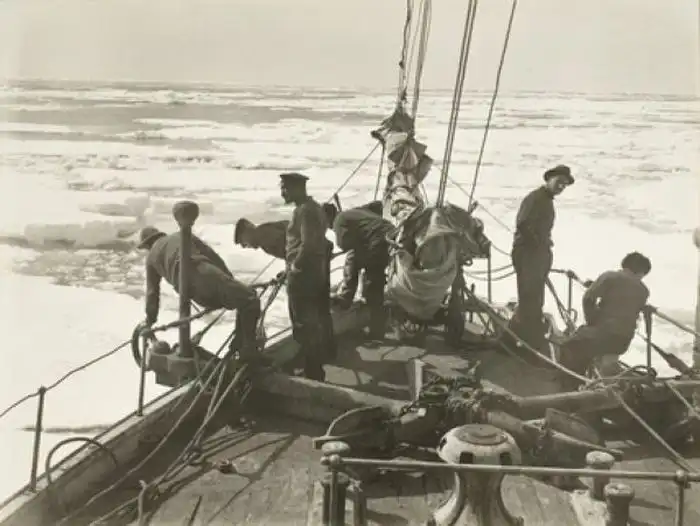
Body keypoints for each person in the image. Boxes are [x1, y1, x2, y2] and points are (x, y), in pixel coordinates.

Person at [137, 226, 263, 362]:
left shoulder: (151, 259)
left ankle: (239, 344)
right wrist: (229, 280)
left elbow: (152, 293)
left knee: (242, 300)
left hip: (196, 295)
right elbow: (212, 256)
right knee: (250, 299)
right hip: (204, 274)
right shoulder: (181, 235)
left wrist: (150, 320)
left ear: (147, 245)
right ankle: (248, 351)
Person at [234, 214, 338, 360]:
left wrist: (292, 271)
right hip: (320, 252)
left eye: (243, 242)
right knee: (320, 305)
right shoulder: (268, 229)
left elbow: (296, 249)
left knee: (299, 310)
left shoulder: (264, 236)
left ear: (248, 229)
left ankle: (309, 352)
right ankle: (328, 349)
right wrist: (288, 270)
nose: (245, 246)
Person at [509, 164, 574, 353]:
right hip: (528, 253)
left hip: (536, 254)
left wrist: (544, 244)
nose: (561, 186)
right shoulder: (535, 198)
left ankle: (522, 338)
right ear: (549, 179)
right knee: (530, 299)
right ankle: (523, 341)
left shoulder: (546, 200)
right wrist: (538, 244)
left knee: (534, 299)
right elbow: (522, 224)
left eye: (564, 184)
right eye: (559, 181)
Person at [558, 252, 652, 375]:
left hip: (603, 335)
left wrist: (592, 321)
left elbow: (588, 298)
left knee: (570, 345)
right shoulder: (644, 290)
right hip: (622, 342)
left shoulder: (609, 276)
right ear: (641, 272)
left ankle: (572, 381)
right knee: (589, 344)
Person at [280, 172, 331, 381]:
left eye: (285, 188)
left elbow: (308, 244)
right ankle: (313, 368)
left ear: (297, 188)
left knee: (303, 324)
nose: (282, 192)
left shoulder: (305, 211)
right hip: (315, 273)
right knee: (312, 322)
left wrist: (294, 267)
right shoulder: (314, 208)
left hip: (303, 277)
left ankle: (313, 372)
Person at [325, 202, 394, 339]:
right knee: (374, 280)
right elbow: (377, 205)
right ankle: (349, 297)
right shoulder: (352, 212)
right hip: (391, 235)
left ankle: (375, 330)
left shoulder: (339, 220)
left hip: (377, 242)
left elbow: (343, 244)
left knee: (371, 284)